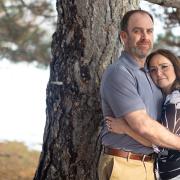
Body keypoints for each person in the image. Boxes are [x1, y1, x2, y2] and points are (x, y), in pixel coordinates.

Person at [98, 9, 180, 180]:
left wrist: (126, 129)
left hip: (150, 166)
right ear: (124, 37)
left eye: (149, 31)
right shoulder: (120, 73)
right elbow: (142, 125)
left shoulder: (152, 77)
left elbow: (155, 137)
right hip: (125, 164)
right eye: (137, 31)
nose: (145, 37)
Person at [106, 49, 180, 180]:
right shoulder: (167, 98)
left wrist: (125, 129)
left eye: (164, 67)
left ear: (175, 67)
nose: (159, 73)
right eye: (153, 69)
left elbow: (158, 141)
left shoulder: (175, 99)